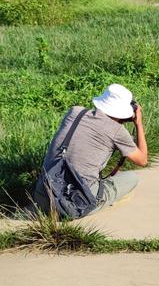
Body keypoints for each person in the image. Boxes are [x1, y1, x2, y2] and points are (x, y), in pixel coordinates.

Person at [33, 83, 148, 215]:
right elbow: (142, 160)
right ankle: (101, 202)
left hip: (42, 196)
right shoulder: (117, 131)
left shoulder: (75, 112)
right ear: (123, 111)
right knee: (132, 177)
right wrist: (138, 124)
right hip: (73, 207)